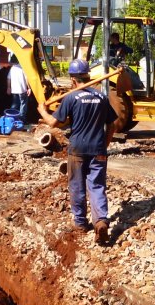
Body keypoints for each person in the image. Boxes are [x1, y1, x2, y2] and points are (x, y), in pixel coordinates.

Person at [46, 58, 118, 246]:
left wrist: (41, 110)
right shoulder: (101, 97)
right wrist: (105, 144)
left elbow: (53, 123)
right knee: (97, 186)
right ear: (87, 76)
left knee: (77, 186)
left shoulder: (71, 97)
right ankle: (100, 220)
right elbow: (112, 124)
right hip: (98, 148)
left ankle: (80, 223)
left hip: (77, 148)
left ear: (72, 79)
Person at [7, 54, 30, 121]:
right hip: (22, 90)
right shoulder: (23, 68)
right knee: (23, 104)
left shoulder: (12, 68)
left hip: (14, 90)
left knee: (15, 104)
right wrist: (29, 88)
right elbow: (27, 78)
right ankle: (21, 119)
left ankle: (11, 118)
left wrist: (8, 88)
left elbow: (8, 78)